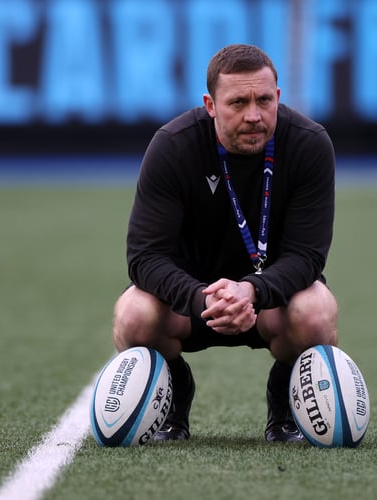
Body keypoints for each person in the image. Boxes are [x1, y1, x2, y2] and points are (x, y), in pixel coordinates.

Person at [112, 44, 338, 443]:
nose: (254, 115)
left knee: (317, 311)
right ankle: (173, 396)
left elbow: (307, 255)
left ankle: (284, 404)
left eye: (264, 100)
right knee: (133, 314)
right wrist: (203, 298)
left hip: (270, 303)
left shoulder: (309, 143)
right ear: (210, 104)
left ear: (278, 97)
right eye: (238, 102)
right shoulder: (173, 145)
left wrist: (252, 290)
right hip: (190, 303)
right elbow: (145, 257)